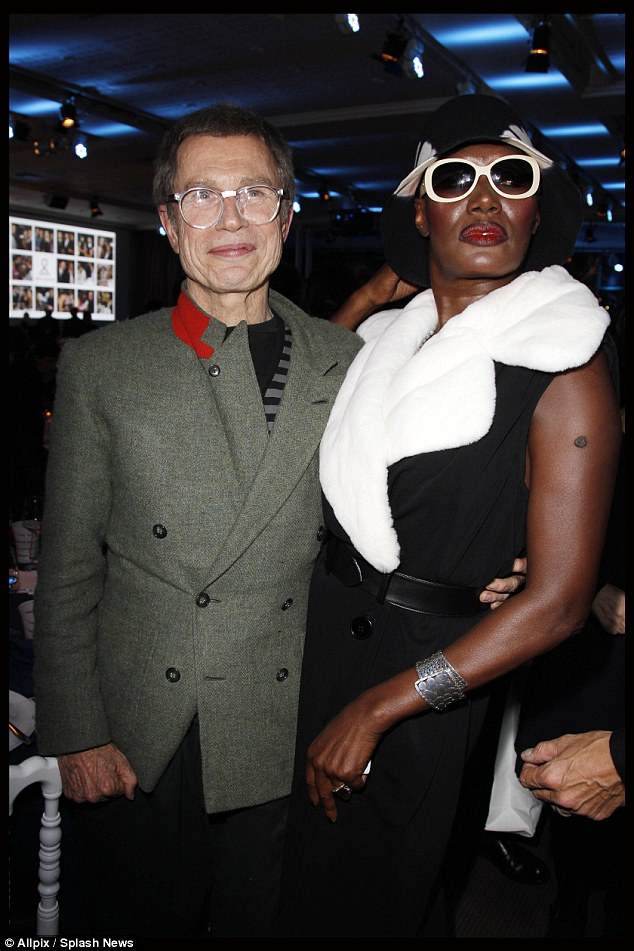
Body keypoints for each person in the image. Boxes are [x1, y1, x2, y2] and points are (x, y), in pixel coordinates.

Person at [31, 100, 536, 938]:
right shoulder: (103, 366)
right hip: (141, 726)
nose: (230, 218)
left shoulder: (354, 361)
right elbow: (69, 568)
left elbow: (411, 499)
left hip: (287, 717)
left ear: (286, 215)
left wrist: (484, 565)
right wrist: (77, 732)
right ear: (168, 223)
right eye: (202, 196)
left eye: (254, 193)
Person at [275, 93, 621, 937]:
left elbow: (559, 603)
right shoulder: (383, 340)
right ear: (421, 211)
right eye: (455, 180)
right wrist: (370, 290)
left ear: (536, 211)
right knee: (299, 890)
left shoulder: (564, 362)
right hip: (318, 647)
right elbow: (288, 419)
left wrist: (380, 707)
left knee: (377, 905)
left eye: (511, 180)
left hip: (422, 683)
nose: (485, 198)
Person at [516, 403, 625, 936]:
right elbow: (549, 512)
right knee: (572, 777)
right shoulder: (598, 412)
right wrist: (594, 586)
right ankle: (570, 903)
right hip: (593, 648)